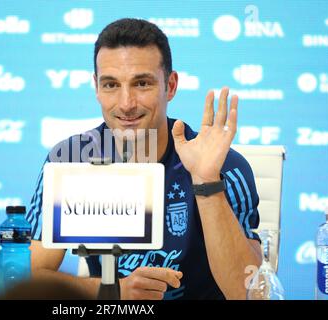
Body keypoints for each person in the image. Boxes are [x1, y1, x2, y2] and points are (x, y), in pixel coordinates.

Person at [26, 18, 262, 300]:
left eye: (142, 83)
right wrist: (114, 291)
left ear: (170, 86)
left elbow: (249, 294)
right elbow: (31, 281)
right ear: (97, 88)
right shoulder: (71, 161)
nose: (126, 103)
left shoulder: (224, 166)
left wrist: (206, 181)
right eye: (111, 85)